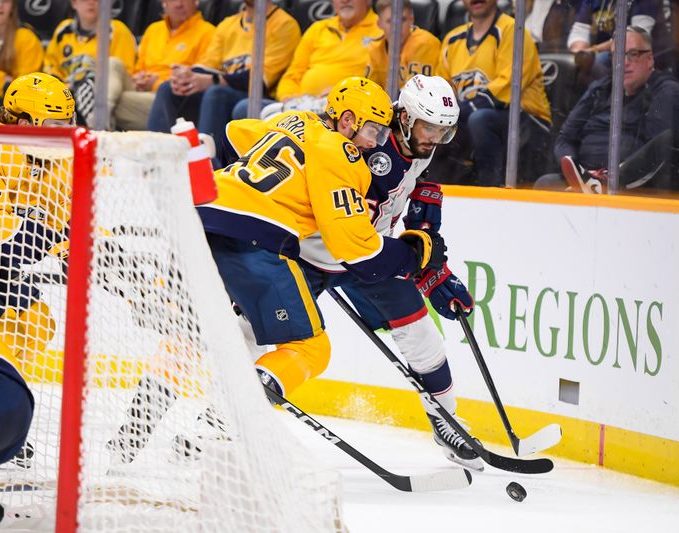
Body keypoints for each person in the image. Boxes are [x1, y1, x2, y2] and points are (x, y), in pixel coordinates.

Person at [226, 75, 481, 470]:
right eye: (430, 127)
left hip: (370, 252)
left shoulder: (419, 145)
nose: (436, 138)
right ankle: (220, 420)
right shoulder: (361, 142)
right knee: (247, 330)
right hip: (311, 250)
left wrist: (432, 263)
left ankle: (446, 420)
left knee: (420, 331)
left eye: (445, 131)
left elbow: (417, 189)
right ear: (405, 118)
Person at [197, 77, 446, 414]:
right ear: (347, 121)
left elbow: (233, 133)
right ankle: (238, 405)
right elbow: (362, 253)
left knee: (201, 329)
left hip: (203, 219)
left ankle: (150, 405)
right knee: (312, 348)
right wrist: (415, 256)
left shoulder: (296, 121)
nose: (376, 142)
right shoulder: (340, 154)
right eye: (373, 131)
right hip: (263, 243)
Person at [0, 73, 75, 515]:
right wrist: (48, 238)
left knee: (35, 321)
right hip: (1, 261)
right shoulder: (0, 153)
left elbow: (72, 222)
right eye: (50, 125)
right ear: (21, 120)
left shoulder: (55, 160)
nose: (60, 136)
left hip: (5, 269)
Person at [535, 26, 679, 194]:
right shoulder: (599, 89)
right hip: (586, 179)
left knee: (666, 141)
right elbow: (565, 139)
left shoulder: (666, 91)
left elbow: (657, 155)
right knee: (546, 184)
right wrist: (576, 173)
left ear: (650, 59)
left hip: (637, 186)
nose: (625, 62)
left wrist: (607, 178)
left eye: (633, 54)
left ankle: (600, 183)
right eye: (618, 56)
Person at [148, 0, 300, 152]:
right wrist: (187, 76)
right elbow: (207, 65)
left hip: (254, 95)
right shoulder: (228, 24)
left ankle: (210, 164)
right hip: (221, 88)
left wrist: (213, 81)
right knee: (168, 88)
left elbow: (261, 80)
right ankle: (155, 156)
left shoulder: (284, 24)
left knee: (216, 93)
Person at [435, 0, 552, 186]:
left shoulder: (514, 31)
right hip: (473, 117)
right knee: (435, 126)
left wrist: (460, 111)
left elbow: (507, 88)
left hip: (528, 123)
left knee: (479, 119)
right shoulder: (452, 39)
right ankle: (437, 190)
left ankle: (490, 187)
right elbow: (441, 90)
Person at [255, 0, 382, 120]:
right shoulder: (318, 28)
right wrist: (289, 99)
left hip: (350, 110)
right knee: (246, 107)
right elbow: (292, 75)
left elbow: (381, 80)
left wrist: (342, 94)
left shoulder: (381, 28)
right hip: (302, 105)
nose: (345, 0)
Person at [110, 0, 216, 130]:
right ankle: (97, 113)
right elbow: (138, 69)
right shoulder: (153, 29)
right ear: (164, 2)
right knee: (113, 63)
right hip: (139, 92)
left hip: (169, 99)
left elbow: (195, 83)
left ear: (196, 2)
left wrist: (155, 84)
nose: (178, 4)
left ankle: (98, 115)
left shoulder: (208, 33)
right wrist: (139, 78)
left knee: (106, 100)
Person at [43, 0, 136, 128]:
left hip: (105, 93)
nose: (91, 3)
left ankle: (98, 126)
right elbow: (50, 65)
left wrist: (81, 82)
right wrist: (64, 86)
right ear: (74, 3)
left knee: (88, 80)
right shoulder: (63, 30)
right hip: (67, 93)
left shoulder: (117, 30)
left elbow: (121, 70)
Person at [364, 0, 440, 90]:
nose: (397, 27)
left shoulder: (425, 43)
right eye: (390, 21)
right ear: (379, 24)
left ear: (411, 20)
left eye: (402, 20)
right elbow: (369, 90)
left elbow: (417, 94)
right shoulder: (375, 49)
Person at [0, 0, 44, 104]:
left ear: (12, 6)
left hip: (16, 105)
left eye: (5, 1)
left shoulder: (27, 38)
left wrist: (6, 85)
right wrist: (2, 79)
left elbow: (25, 88)